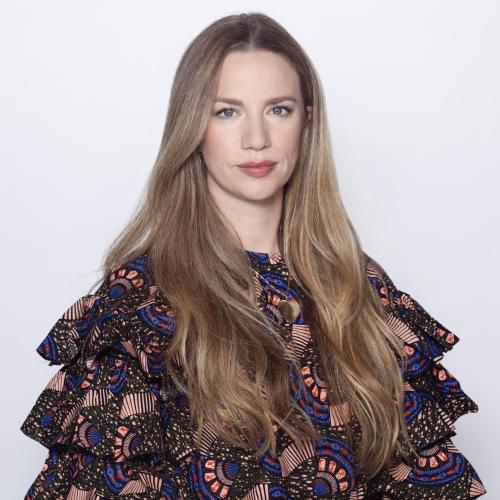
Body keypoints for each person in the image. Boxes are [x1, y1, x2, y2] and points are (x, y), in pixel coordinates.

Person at [21, 12, 486, 499]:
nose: (257, 139)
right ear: (193, 126)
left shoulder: (359, 289)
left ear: (307, 120)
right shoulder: (141, 305)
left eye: (278, 109)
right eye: (227, 112)